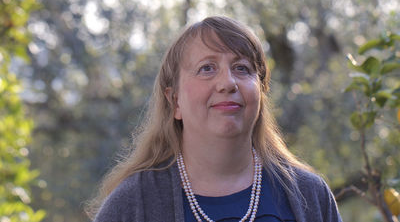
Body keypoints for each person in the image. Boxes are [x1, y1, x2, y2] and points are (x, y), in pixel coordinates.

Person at [86, 16, 343, 222]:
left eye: (242, 68)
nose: (227, 83)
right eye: (207, 68)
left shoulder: (310, 196)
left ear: (261, 93)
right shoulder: (133, 205)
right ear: (175, 101)